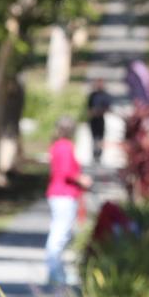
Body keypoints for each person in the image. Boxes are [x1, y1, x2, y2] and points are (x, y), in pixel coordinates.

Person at [45, 115, 92, 287]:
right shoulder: (65, 147)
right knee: (60, 234)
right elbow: (66, 171)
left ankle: (56, 271)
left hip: (58, 194)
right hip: (64, 194)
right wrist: (82, 179)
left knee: (59, 231)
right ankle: (55, 271)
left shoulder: (57, 145)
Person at [86, 79, 110, 163]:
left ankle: (99, 154)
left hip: (100, 119)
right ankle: (94, 154)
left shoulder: (105, 95)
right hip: (93, 119)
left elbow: (107, 107)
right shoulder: (93, 95)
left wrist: (100, 112)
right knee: (94, 137)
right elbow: (88, 107)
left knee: (100, 137)